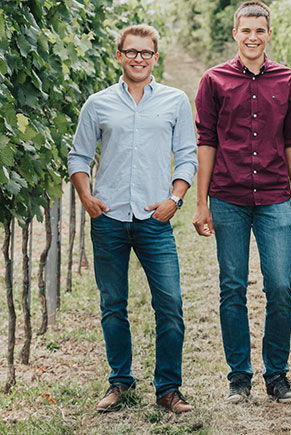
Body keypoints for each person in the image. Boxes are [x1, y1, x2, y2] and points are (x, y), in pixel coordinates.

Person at [67, 24, 197, 413]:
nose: (138, 58)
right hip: (109, 219)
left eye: (146, 52)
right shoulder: (98, 103)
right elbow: (78, 156)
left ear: (156, 57)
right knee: (113, 304)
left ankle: (168, 388)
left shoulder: (175, 101)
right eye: (131, 52)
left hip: (155, 220)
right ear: (119, 55)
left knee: (170, 304)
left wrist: (175, 199)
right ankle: (120, 382)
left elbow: (187, 156)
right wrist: (87, 196)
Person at [193, 1, 291, 404]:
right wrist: (201, 202)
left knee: (280, 287)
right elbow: (205, 142)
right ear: (236, 33)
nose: (253, 37)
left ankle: (277, 376)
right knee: (232, 287)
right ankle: (239, 378)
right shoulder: (214, 81)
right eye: (246, 30)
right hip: (228, 197)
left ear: (269, 34)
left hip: (275, 196)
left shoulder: (288, 80)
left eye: (260, 30)